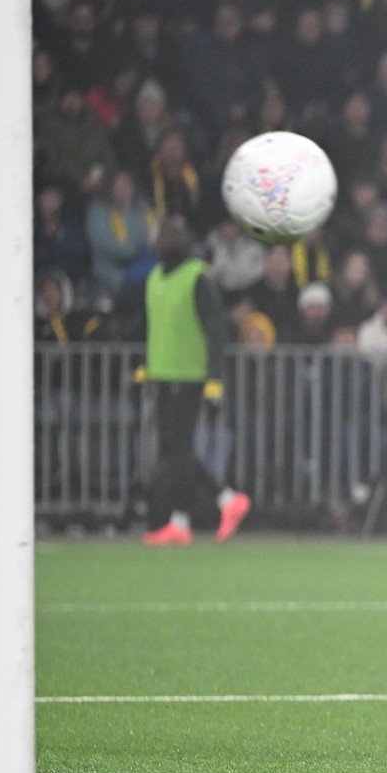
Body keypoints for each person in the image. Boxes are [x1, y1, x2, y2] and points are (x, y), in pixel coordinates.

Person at [140, 217, 251, 545]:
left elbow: (215, 329)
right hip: (163, 373)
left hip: (188, 374)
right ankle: (199, 511)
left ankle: (213, 504)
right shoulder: (155, 278)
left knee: (178, 449)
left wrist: (213, 378)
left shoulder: (197, 277)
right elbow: (155, 327)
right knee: (175, 450)